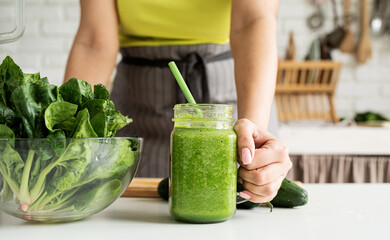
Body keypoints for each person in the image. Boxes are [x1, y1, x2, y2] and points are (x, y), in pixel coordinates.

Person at [64, 0, 291, 203]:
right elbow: (95, 42)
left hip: (230, 100)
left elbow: (252, 21)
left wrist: (253, 135)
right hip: (139, 108)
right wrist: (67, 145)